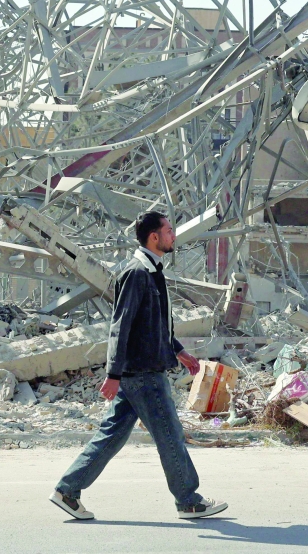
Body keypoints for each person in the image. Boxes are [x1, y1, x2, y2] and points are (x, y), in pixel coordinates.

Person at [50, 211, 228, 521]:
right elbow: (121, 327)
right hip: (143, 374)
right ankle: (188, 501)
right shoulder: (136, 274)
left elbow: (153, 324)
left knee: (112, 436)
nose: (174, 235)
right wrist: (113, 373)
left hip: (141, 372)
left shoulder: (152, 271)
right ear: (154, 237)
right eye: (169, 231)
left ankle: (67, 491)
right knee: (170, 435)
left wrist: (178, 351)